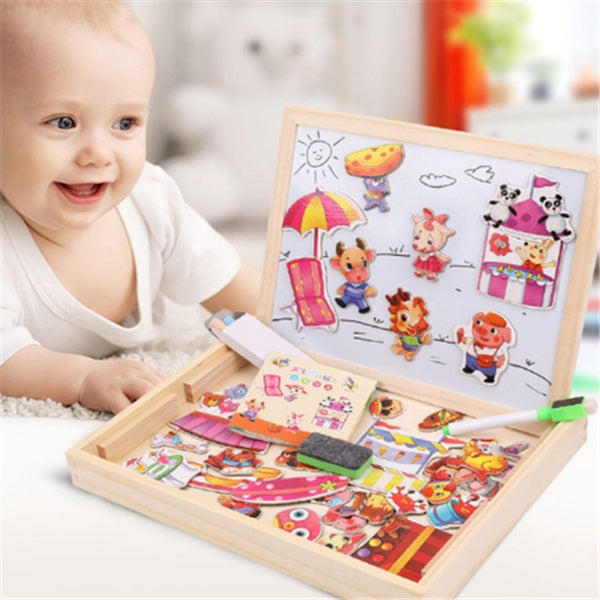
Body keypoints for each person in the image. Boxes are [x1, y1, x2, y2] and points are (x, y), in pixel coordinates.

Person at [0, 1, 260, 413]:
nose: (98, 154)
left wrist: (308, 339)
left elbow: (236, 286)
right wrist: (83, 378)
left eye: (125, 124)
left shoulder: (150, 200)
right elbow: (4, 358)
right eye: (64, 122)